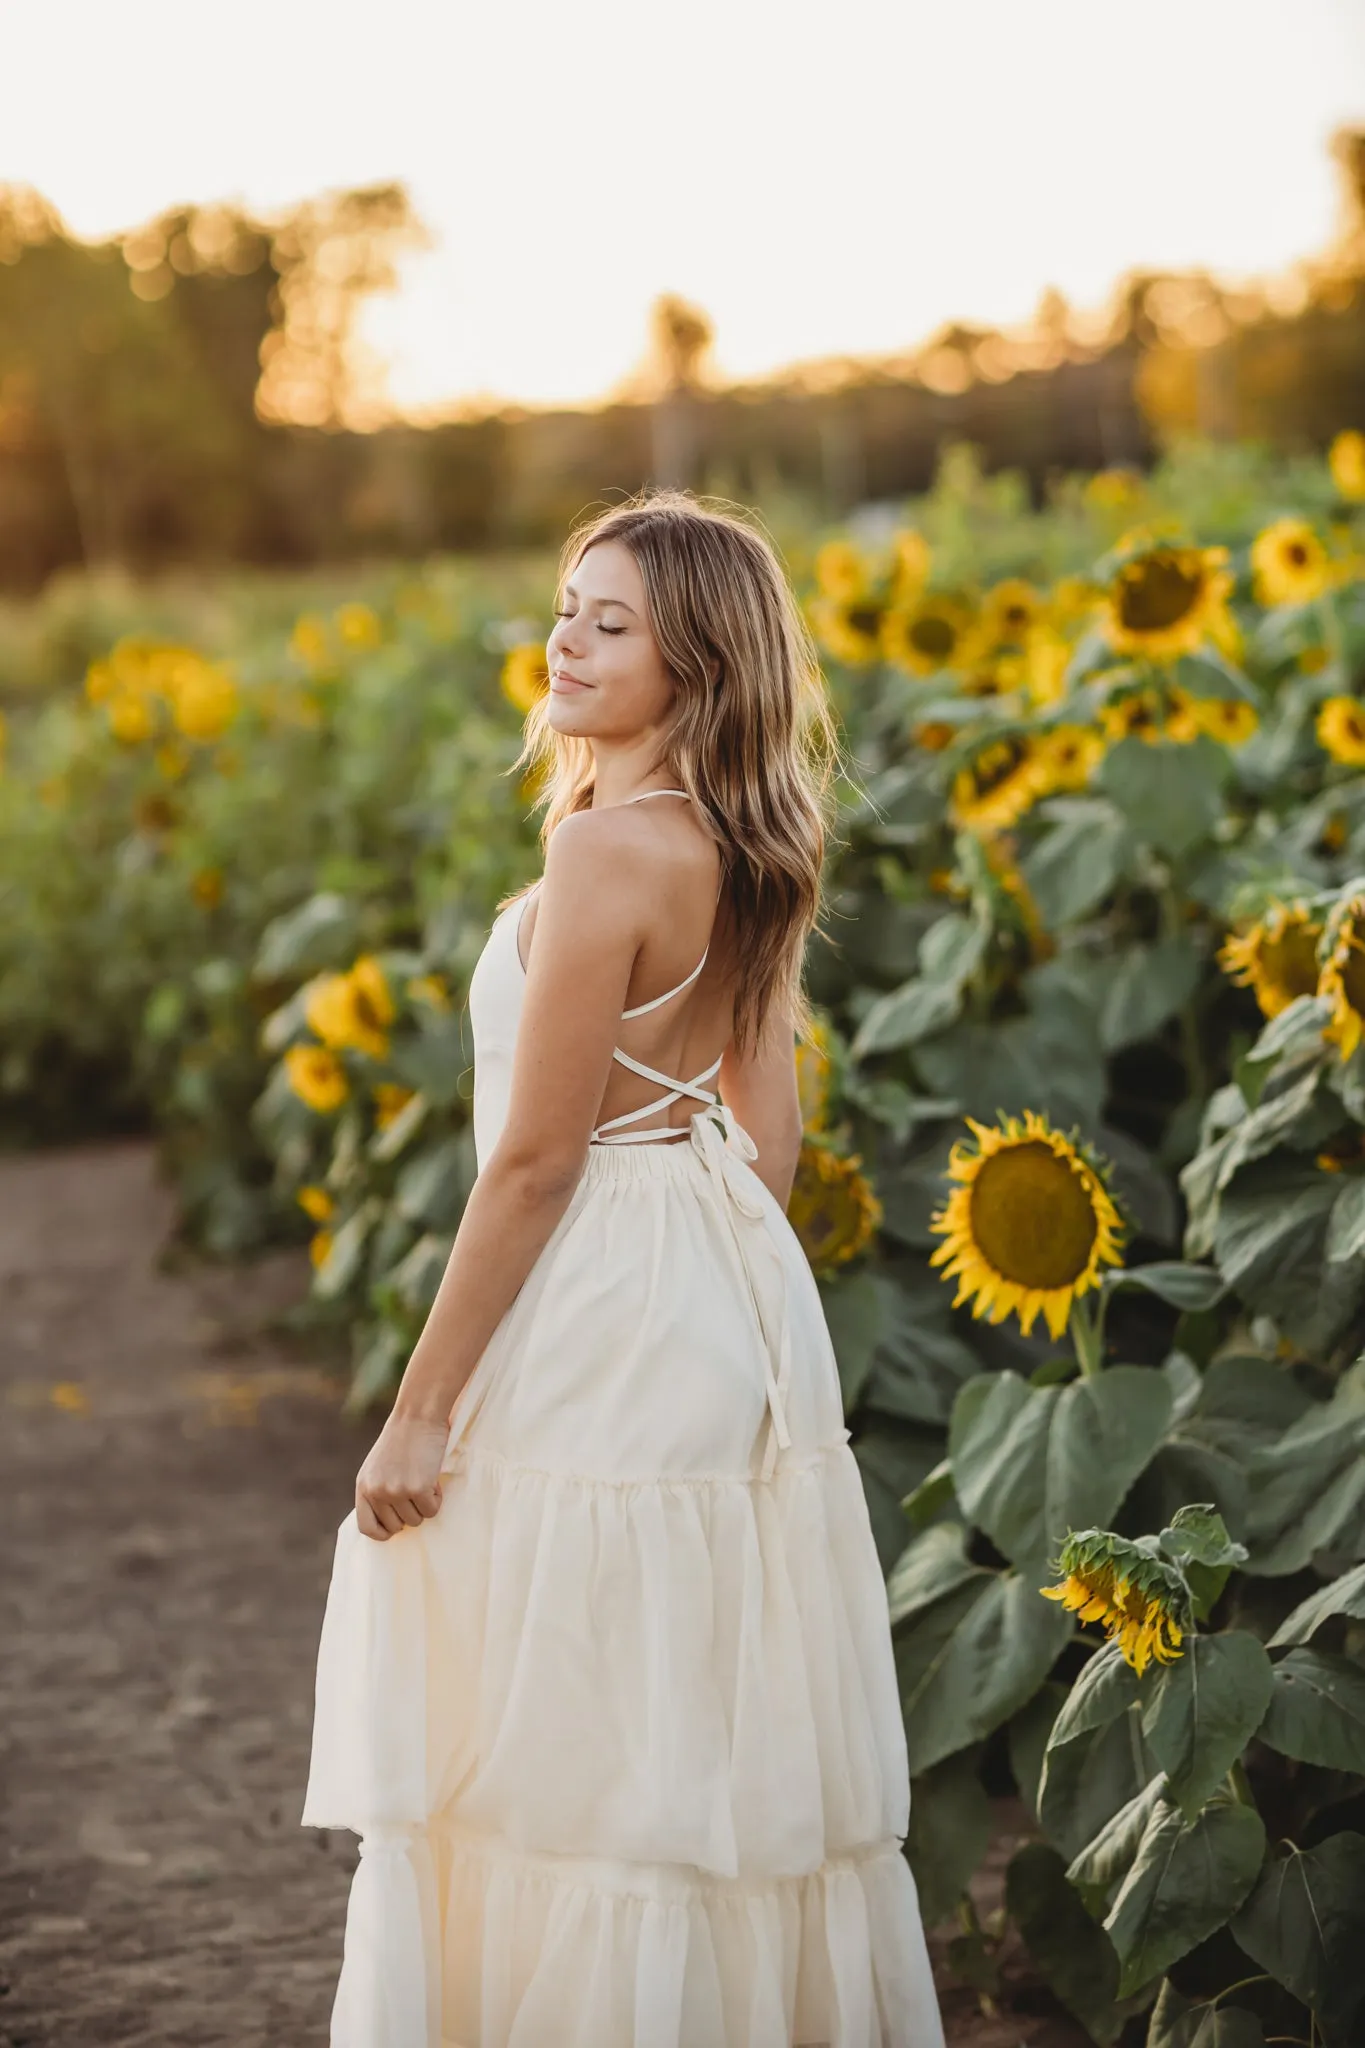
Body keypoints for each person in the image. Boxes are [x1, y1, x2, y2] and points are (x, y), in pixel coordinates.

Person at [301, 489, 946, 2048]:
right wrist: (711, 1294)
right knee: (690, 1735)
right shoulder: (744, 846)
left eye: (612, 623)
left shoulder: (604, 855)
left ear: (697, 666)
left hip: (593, 1285)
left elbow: (533, 1163)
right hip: (716, 1285)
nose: (566, 642)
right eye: (565, 609)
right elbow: (767, 1134)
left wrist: (422, 1407)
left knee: (570, 1735)